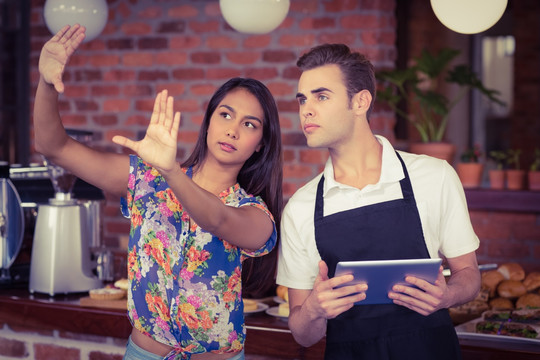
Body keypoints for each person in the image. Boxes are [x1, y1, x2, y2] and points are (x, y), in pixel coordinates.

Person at [34, 24, 283, 360]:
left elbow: (218, 219)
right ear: (208, 121)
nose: (233, 130)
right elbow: (55, 147)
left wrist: (170, 172)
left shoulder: (255, 214)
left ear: (260, 145)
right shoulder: (145, 179)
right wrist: (47, 84)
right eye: (226, 115)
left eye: (249, 124)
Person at [276, 43, 480, 359]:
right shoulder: (300, 209)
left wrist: (446, 295)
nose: (307, 110)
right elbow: (303, 336)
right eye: (303, 99)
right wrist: (315, 308)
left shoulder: (434, 176)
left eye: (322, 96)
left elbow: (469, 275)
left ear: (361, 101)